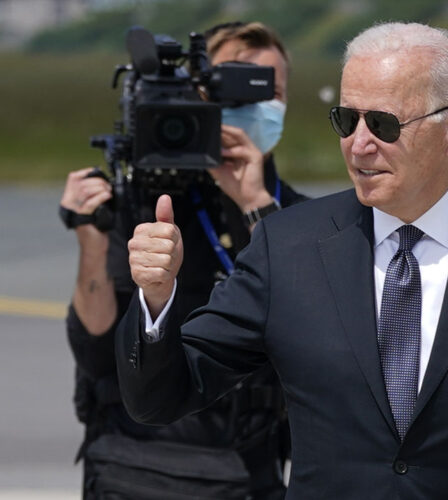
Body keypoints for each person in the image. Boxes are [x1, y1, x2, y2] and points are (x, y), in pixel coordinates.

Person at [114, 22, 448, 499]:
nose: (359, 144)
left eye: (382, 123)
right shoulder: (286, 247)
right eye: (346, 119)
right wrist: (156, 301)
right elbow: (163, 397)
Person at [61, 21, 304, 499]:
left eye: (268, 89)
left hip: (246, 468)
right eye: (234, 86)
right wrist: (91, 240)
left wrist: (256, 204)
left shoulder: (297, 217)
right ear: (199, 94)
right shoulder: (145, 202)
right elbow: (93, 352)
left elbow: (310, 327)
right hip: (134, 466)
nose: (255, 105)